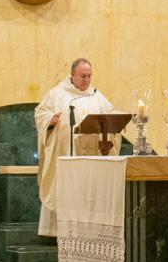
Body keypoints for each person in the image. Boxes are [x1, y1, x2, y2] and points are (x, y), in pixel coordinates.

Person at [34, 58, 113, 236]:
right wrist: (50, 121)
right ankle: (59, 232)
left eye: (89, 76)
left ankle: (87, 231)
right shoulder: (57, 94)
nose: (86, 80)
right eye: (82, 76)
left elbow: (110, 115)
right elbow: (40, 113)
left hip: (90, 160)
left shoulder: (97, 96)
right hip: (66, 155)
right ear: (72, 75)